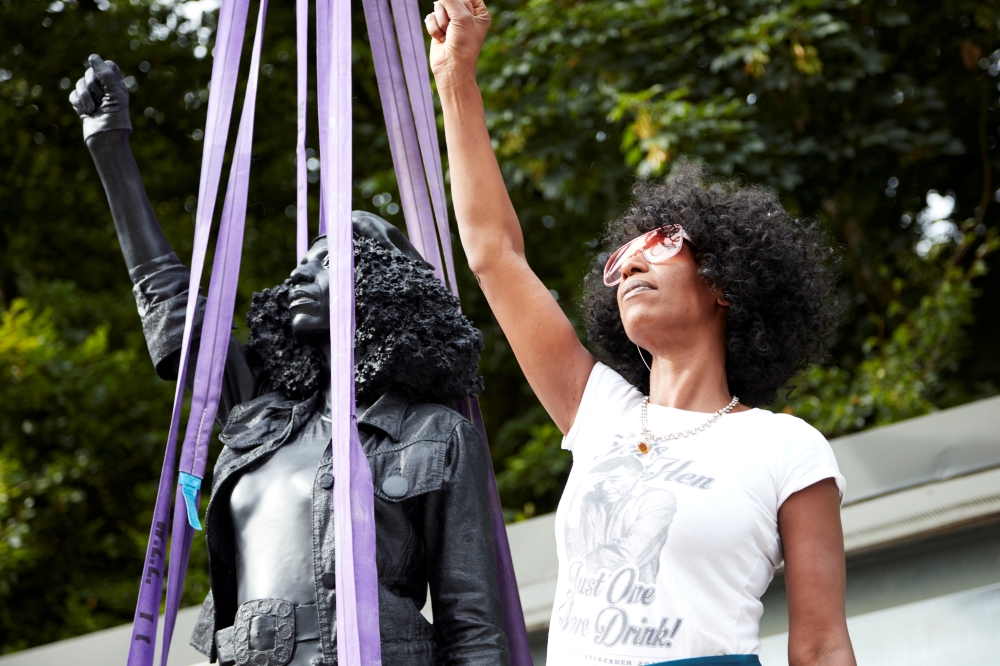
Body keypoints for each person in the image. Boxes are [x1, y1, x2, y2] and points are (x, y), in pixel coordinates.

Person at [424, 2, 857, 665]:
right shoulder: (599, 412)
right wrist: (456, 77)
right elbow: (493, 254)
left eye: (660, 243)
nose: (629, 263)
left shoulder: (786, 447)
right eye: (618, 261)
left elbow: (823, 646)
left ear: (725, 280)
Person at [69, 54, 509, 666]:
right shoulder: (257, 414)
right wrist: (109, 145)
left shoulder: (436, 435)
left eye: (327, 260)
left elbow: (473, 624)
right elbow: (171, 303)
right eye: (303, 261)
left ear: (380, 285)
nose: (300, 270)